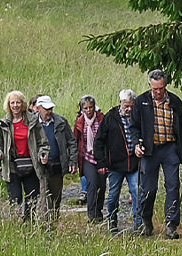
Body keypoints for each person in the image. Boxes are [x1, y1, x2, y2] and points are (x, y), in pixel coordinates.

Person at [133, 69, 182, 239]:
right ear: (150, 86)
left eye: (161, 88)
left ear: (165, 85)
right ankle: (146, 222)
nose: (158, 92)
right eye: (155, 89)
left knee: (173, 186)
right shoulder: (141, 101)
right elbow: (134, 127)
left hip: (170, 148)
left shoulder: (174, 102)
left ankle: (171, 225)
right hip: (150, 150)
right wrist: (137, 145)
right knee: (149, 189)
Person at [0, 90, 49, 220]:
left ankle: (29, 224)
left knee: (32, 199)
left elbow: (43, 142)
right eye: (12, 103)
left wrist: (43, 154)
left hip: (31, 164)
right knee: (15, 200)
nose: (15, 105)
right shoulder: (4, 122)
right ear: (8, 105)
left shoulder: (33, 120)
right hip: (12, 166)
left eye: (18, 102)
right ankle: (16, 225)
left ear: (23, 104)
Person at [95, 89, 142, 235]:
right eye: (126, 105)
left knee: (137, 191)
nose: (128, 109)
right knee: (113, 194)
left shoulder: (138, 117)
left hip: (134, 163)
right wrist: (101, 163)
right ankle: (112, 221)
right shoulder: (110, 118)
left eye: (131, 106)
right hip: (115, 164)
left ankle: (139, 224)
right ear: (120, 103)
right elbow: (99, 141)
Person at [34, 95, 78, 218]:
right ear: (38, 108)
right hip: (39, 166)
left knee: (56, 198)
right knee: (41, 196)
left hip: (57, 164)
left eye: (50, 108)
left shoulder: (61, 122)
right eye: (46, 109)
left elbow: (71, 142)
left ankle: (53, 223)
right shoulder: (32, 124)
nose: (49, 112)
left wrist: (72, 161)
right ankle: (42, 222)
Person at [73, 94, 106, 223]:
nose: (88, 110)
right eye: (85, 108)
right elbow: (75, 140)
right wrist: (74, 160)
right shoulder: (80, 122)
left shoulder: (102, 119)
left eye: (90, 107)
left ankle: (99, 211)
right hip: (87, 157)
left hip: (101, 157)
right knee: (92, 183)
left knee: (102, 185)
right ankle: (91, 214)